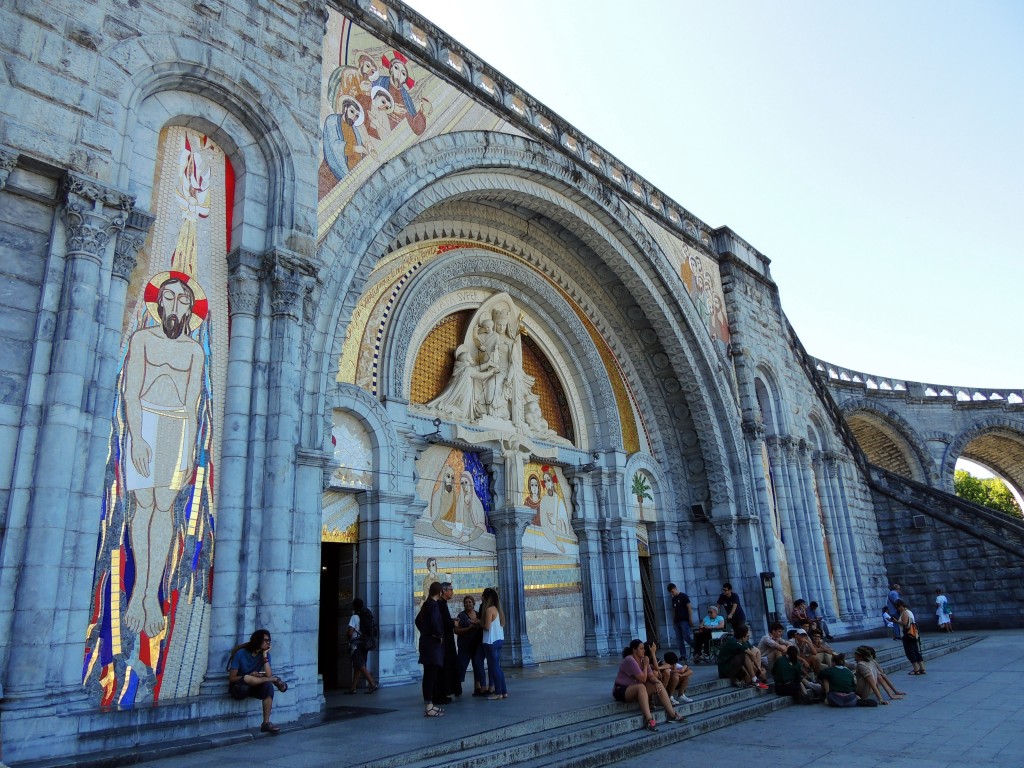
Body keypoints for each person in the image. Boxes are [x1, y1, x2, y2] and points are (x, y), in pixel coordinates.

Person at [612, 639, 686, 732]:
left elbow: (651, 676)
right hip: (621, 689)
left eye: (644, 648)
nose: (644, 650)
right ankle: (649, 719)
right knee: (641, 686)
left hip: (635, 687)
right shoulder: (629, 660)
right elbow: (643, 679)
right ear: (634, 650)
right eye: (641, 649)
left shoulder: (643, 659)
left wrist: (657, 682)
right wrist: (646, 665)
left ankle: (672, 714)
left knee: (657, 684)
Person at [227, 629, 288, 734]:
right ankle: (274, 680)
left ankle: (266, 723)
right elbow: (232, 678)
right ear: (257, 640)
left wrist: (264, 655)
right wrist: (250, 675)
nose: (268, 643)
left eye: (269, 640)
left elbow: (268, 673)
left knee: (268, 687)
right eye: (265, 640)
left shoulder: (265, 655)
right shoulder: (241, 653)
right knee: (247, 678)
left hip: (254, 686)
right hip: (239, 688)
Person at [416, 581, 445, 717]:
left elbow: (417, 620)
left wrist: (425, 632)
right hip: (432, 644)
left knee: (429, 674)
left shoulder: (427, 604)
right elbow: (434, 621)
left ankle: (430, 704)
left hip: (426, 642)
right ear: (439, 592)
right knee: (430, 675)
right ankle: (429, 706)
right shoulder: (433, 605)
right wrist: (438, 635)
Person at [716, 624, 768, 689]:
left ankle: (755, 679)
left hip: (732, 666)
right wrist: (758, 668)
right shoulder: (733, 642)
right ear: (743, 636)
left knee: (745, 656)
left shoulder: (741, 642)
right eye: (747, 635)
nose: (748, 637)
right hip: (724, 670)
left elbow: (751, 654)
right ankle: (755, 680)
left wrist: (758, 668)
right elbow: (751, 654)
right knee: (744, 655)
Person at [454, 594, 486, 696]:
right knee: (461, 666)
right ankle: (457, 688)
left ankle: (477, 688)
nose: (468, 604)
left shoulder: (478, 614)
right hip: (465, 646)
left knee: (477, 665)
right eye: (466, 602)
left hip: (477, 645)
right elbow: (456, 630)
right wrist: (468, 629)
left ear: (473, 603)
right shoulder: (461, 616)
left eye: (470, 602)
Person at [345, 598, 378, 694]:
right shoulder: (364, 616)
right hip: (364, 643)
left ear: (354, 606)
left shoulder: (354, 617)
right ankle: (353, 687)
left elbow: (350, 632)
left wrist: (347, 637)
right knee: (358, 666)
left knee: (360, 666)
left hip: (356, 645)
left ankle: (372, 684)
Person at [480, 587, 508, 700]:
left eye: (483, 596)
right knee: (498, 667)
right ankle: (503, 691)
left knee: (494, 668)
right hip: (499, 639)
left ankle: (498, 692)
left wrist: (478, 623)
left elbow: (486, 627)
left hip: (490, 641)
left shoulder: (489, 610)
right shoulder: (497, 609)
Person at [436, 582, 461, 701]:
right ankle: (444, 692)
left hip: (447, 639)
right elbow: (444, 623)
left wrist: (451, 621)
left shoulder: (442, 604)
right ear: (444, 591)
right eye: (450, 590)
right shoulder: (440, 604)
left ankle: (449, 690)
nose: (452, 592)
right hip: (445, 641)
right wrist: (453, 623)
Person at [895, 599, 926, 675]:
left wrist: (896, 621)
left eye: (898, 607)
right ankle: (922, 668)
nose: (897, 609)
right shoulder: (909, 612)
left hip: (907, 635)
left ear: (901, 606)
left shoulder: (905, 612)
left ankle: (916, 669)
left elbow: (905, 624)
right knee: (916, 651)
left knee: (910, 652)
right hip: (913, 634)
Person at [667, 583, 694, 661]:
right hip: (677, 621)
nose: (672, 593)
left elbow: (689, 608)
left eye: (672, 591)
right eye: (670, 592)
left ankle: (696, 647)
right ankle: (683, 655)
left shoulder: (683, 596)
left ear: (675, 588)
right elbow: (673, 610)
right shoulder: (673, 599)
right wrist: (673, 621)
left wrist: (690, 619)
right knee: (679, 639)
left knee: (686, 636)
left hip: (684, 620)